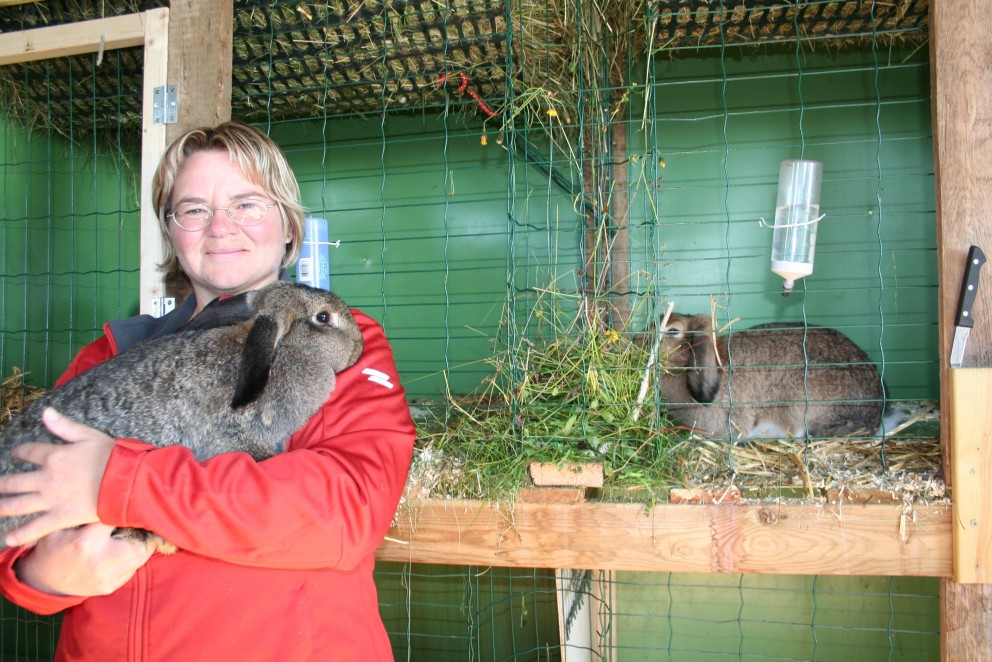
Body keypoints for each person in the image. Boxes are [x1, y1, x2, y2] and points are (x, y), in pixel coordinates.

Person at [0, 122, 416, 660]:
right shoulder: (105, 356)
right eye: (194, 209)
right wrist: (39, 575)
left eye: (248, 204)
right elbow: (23, 512)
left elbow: (344, 510)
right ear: (172, 232)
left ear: (290, 227)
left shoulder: (335, 343)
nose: (221, 227)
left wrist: (119, 480)